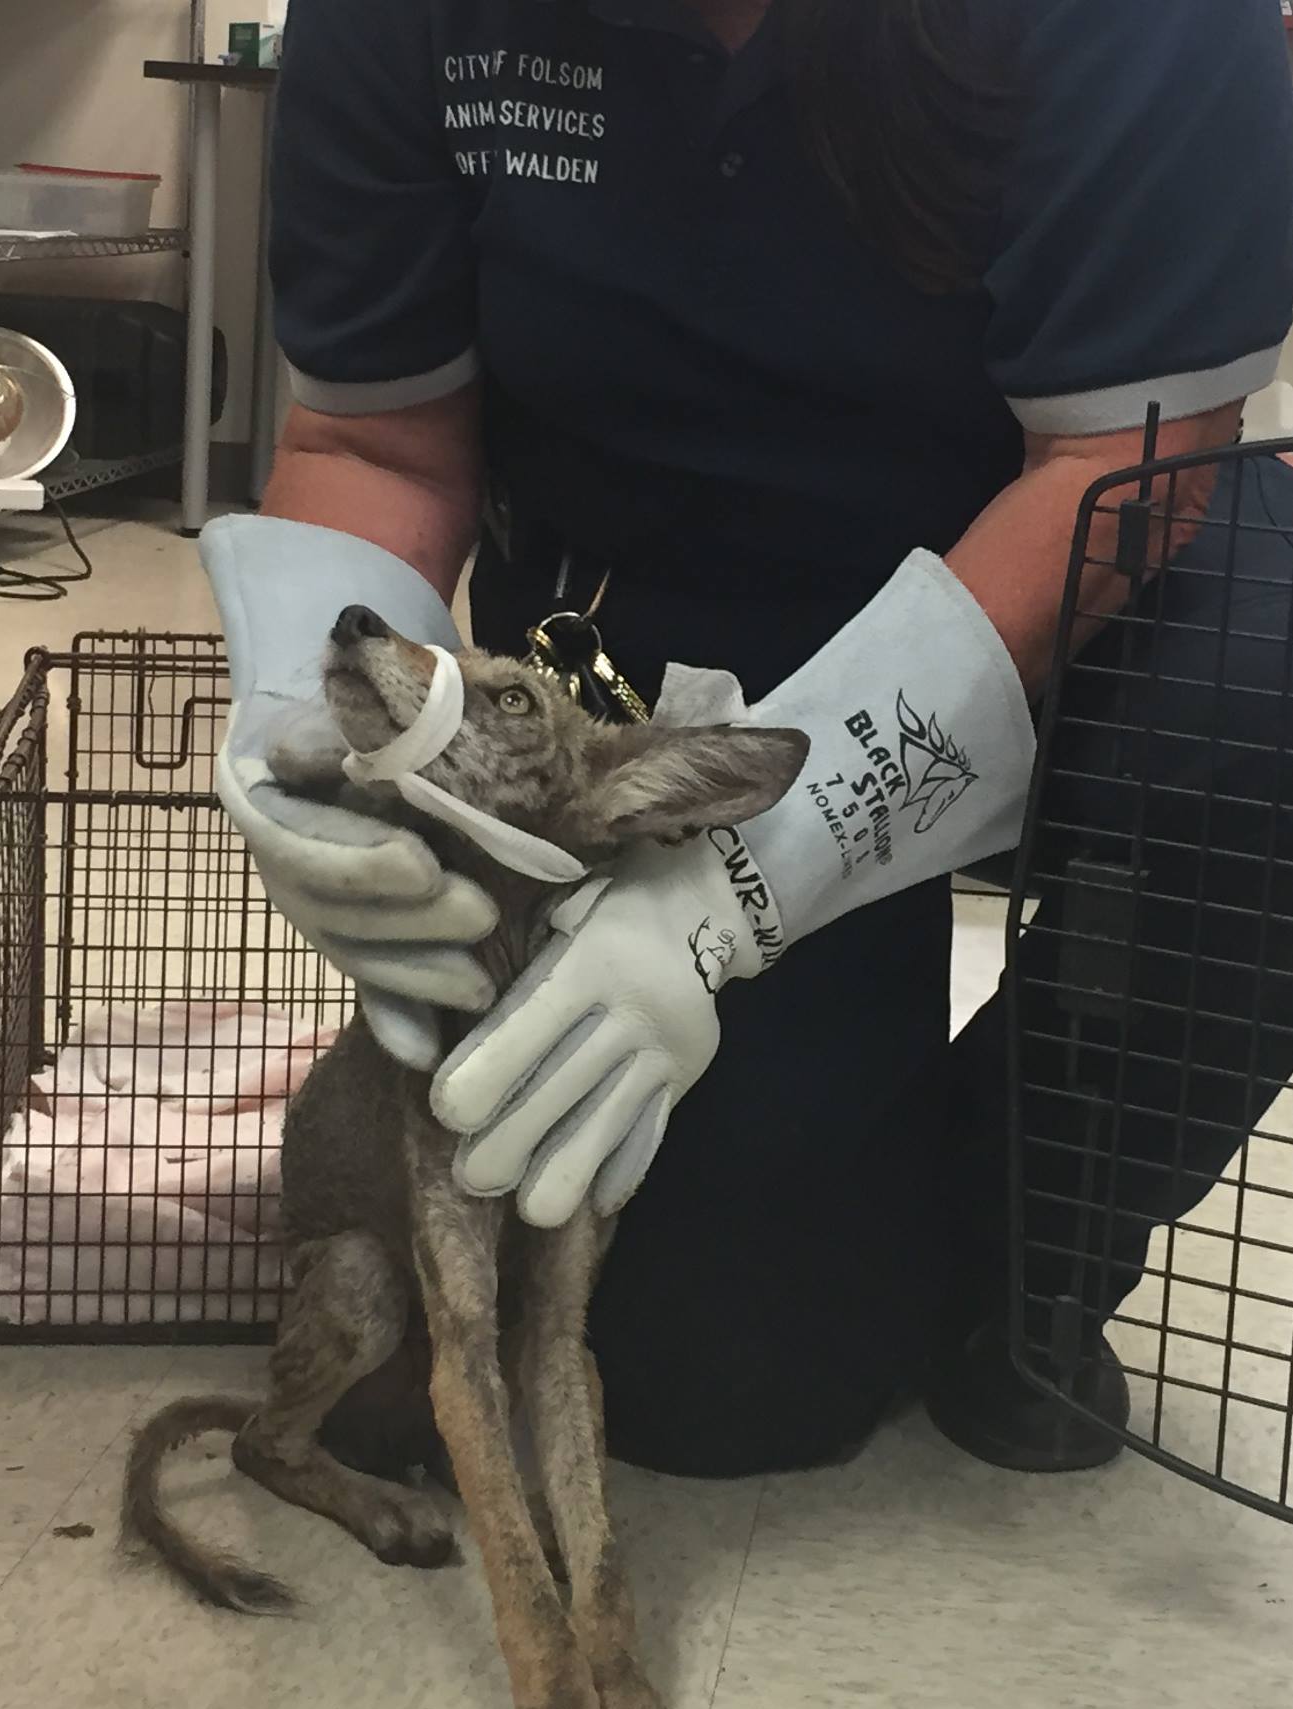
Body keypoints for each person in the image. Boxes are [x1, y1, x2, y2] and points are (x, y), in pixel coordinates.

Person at [205, 0, 1293, 1478]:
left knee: (1269, 703)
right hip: (640, 634)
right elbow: (372, 444)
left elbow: (1121, 467)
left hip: (1058, 583)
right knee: (714, 1389)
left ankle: (1029, 1245)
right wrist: (306, 727)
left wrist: (747, 886)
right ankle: (816, 1130)